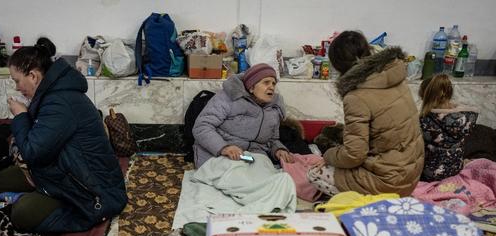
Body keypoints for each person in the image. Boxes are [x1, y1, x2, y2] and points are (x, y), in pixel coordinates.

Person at [0, 37, 127, 233]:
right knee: (0, 182)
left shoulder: (59, 103)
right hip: (63, 171)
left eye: (17, 80)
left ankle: (59, 205)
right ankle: (41, 192)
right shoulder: (51, 96)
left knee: (22, 213)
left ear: (33, 76)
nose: (16, 87)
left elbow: (32, 151)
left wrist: (20, 116)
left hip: (93, 192)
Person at [308, 31, 424, 197]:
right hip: (411, 177)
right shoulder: (395, 77)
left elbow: (354, 155)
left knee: (314, 173)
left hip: (388, 183)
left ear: (338, 65)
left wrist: (327, 156)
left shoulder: (356, 97)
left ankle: (362, 206)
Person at [192, 63, 293, 169]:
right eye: (266, 83)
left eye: (273, 83)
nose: (271, 87)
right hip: (218, 154)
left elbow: (272, 140)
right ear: (251, 88)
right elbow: (202, 126)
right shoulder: (228, 98)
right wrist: (224, 148)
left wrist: (278, 150)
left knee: (279, 178)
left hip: (252, 158)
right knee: (237, 179)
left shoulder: (274, 108)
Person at [418, 74, 478, 181]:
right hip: (455, 170)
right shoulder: (466, 119)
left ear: (425, 97)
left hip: (430, 175)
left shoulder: (423, 121)